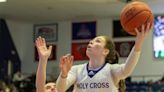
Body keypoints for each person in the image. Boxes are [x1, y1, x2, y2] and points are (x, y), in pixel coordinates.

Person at [56, 23, 152, 92]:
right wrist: (64, 74)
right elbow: (60, 89)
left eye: (97, 41)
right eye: (91, 41)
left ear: (105, 51)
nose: (91, 42)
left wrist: (138, 43)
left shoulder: (111, 70)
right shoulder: (76, 69)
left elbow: (127, 69)